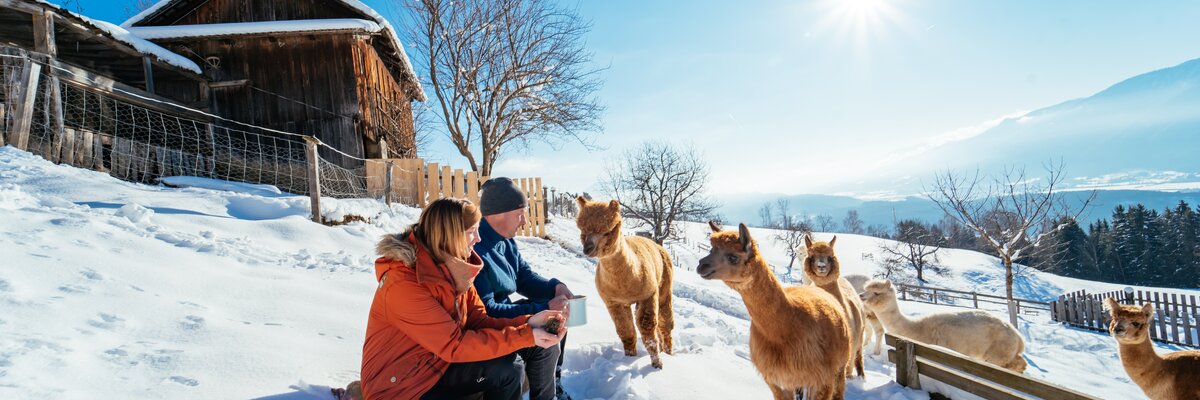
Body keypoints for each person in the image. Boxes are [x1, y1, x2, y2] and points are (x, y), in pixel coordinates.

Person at [359, 198, 566, 400]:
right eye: (471, 232)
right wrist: (526, 335)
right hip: (403, 386)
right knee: (508, 369)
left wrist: (529, 322)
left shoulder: (455, 268)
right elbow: (454, 345)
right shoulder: (404, 283)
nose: (477, 238)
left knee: (519, 359)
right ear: (449, 235)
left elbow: (480, 321)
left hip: (437, 364)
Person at [472, 177, 575, 400]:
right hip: (488, 326)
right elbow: (488, 311)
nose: (524, 221)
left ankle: (552, 386)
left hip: (505, 314)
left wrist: (555, 288)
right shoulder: (476, 248)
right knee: (548, 320)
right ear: (499, 213)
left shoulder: (506, 241)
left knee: (556, 318)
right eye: (520, 214)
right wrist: (544, 308)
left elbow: (524, 277)